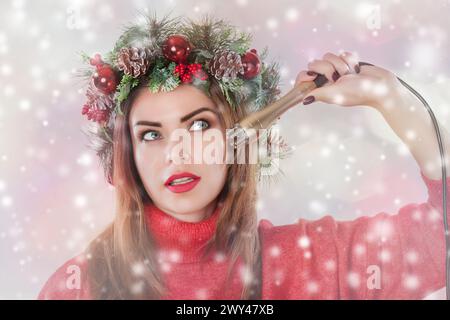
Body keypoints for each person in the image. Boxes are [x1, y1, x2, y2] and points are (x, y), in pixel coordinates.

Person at [38, 13, 450, 300]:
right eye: (150, 134)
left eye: (199, 126)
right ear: (127, 157)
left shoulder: (317, 261)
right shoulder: (78, 287)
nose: (178, 152)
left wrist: (394, 100)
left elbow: (440, 239)